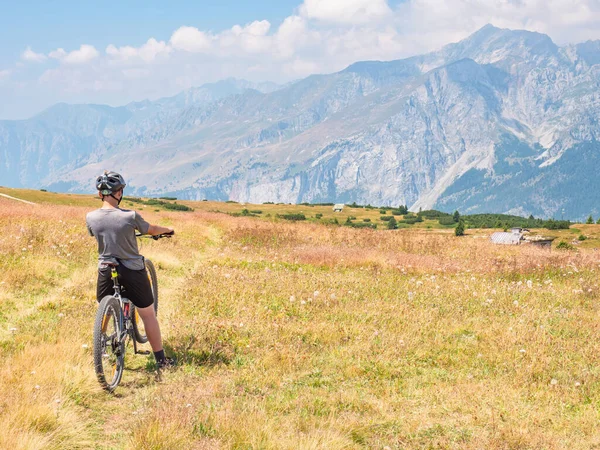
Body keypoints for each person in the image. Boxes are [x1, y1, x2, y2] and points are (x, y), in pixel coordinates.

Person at [86, 170, 175, 369]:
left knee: (104, 310)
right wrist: (167, 229)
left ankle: (101, 346)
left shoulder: (90, 217)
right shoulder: (130, 216)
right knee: (148, 314)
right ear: (118, 193)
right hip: (132, 269)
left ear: (100, 194)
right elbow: (150, 229)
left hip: (106, 269)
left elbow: (95, 233)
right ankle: (161, 360)